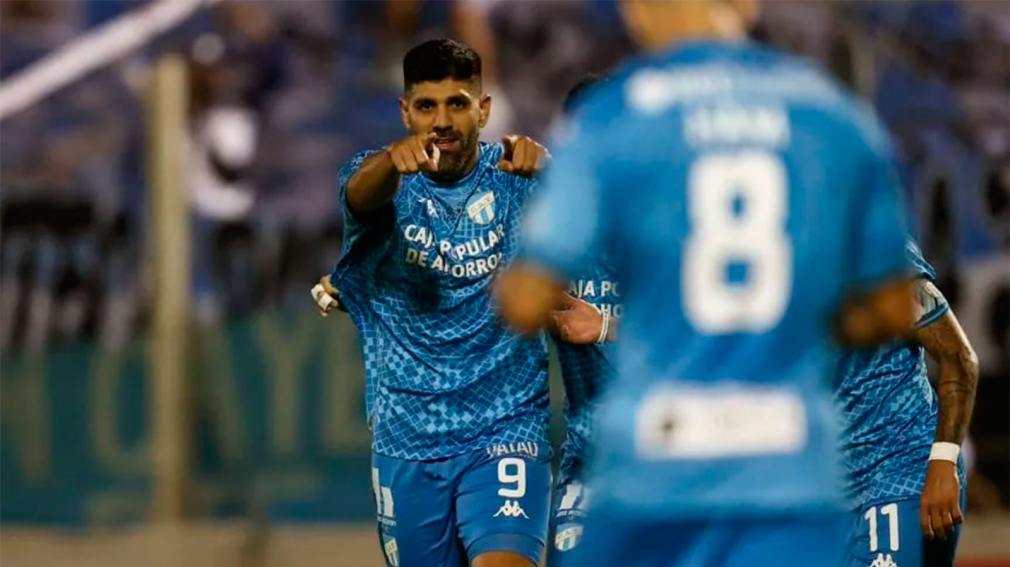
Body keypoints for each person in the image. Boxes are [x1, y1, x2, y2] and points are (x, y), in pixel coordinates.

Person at [495, 0, 917, 564]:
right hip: (788, 470)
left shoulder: (614, 119)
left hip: (652, 471)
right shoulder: (832, 115)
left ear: (637, 13)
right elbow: (894, 309)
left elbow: (524, 300)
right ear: (747, 6)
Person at [322, 39, 552, 567]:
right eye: (426, 106)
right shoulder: (382, 179)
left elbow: (605, 220)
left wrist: (552, 168)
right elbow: (360, 195)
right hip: (407, 435)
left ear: (483, 110)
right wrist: (389, 164)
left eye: (457, 104)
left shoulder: (516, 177)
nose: (442, 121)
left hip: (506, 425)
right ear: (406, 111)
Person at [838, 240, 978, 567]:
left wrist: (943, 461)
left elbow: (958, 357)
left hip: (902, 467)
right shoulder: (777, 265)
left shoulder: (878, 251)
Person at [541, 75, 620, 565]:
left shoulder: (671, 222)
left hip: (669, 466)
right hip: (587, 461)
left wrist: (606, 326)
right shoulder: (553, 229)